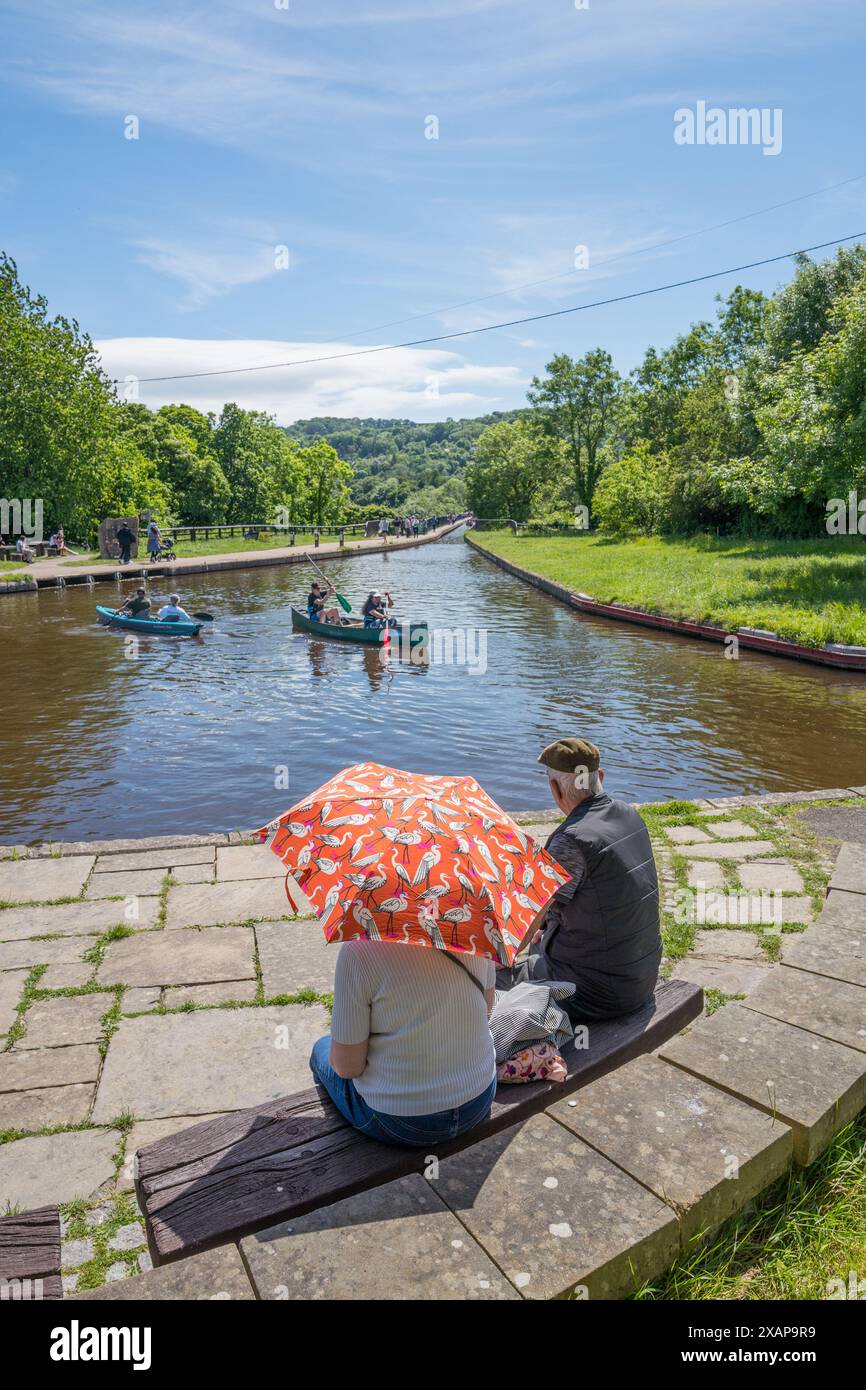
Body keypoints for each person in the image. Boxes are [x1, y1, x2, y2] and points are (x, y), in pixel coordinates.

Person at [498, 737, 662, 1022]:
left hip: (597, 995)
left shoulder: (571, 841)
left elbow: (523, 929)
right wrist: (547, 926)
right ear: (600, 776)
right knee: (541, 940)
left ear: (555, 788)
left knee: (493, 978)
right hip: (639, 977)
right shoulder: (628, 814)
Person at [309, 939, 497, 1147]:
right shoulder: (476, 925)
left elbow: (348, 1067)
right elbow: (486, 1006)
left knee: (321, 1050)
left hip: (402, 1122)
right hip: (478, 1099)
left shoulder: (358, 950)